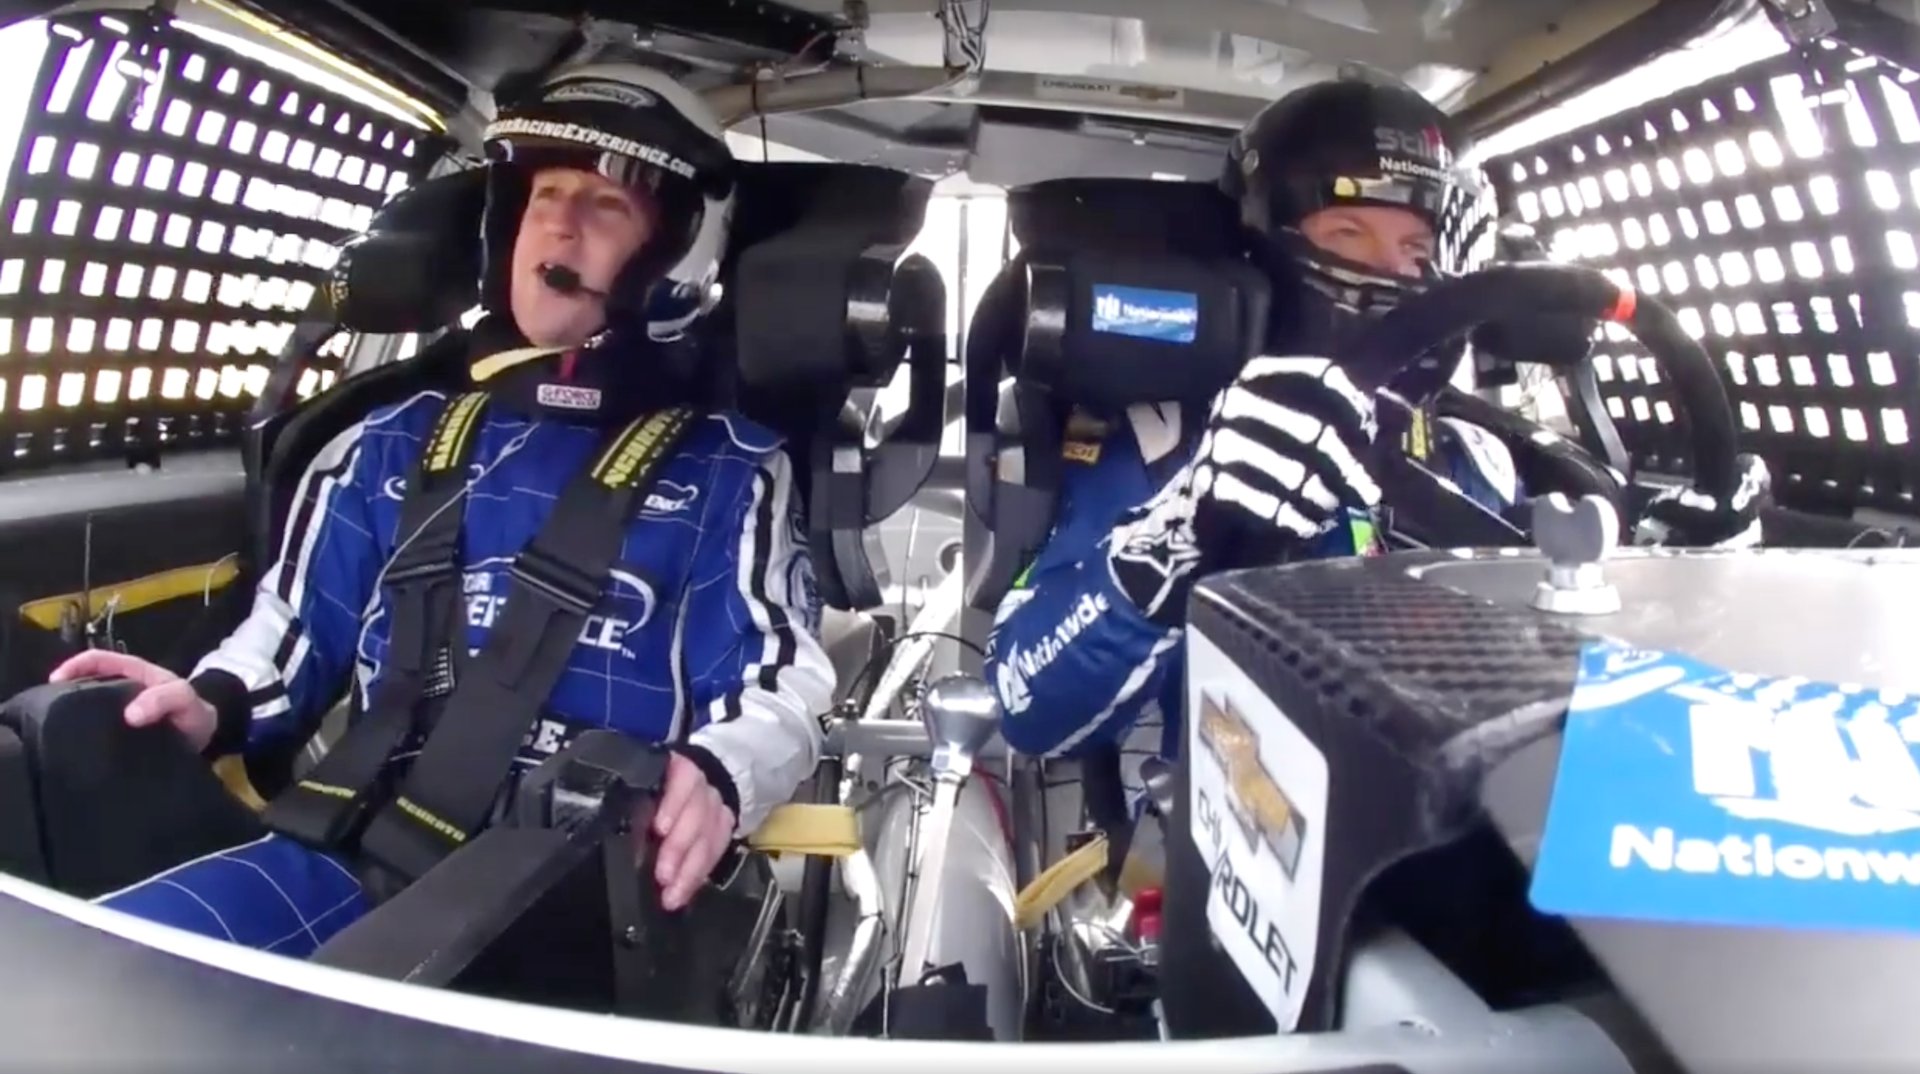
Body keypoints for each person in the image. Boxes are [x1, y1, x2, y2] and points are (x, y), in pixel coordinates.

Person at [46, 62, 833, 957]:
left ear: (677, 256)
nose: (561, 224)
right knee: (93, 967)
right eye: (544, 197)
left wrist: (723, 775)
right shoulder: (387, 442)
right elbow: (293, 632)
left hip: (591, 896)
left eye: (606, 204)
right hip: (361, 855)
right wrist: (208, 700)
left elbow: (779, 680)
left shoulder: (731, 471)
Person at [987, 74, 1771, 768]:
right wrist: (1181, 534)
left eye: (1415, 249)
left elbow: (1571, 626)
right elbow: (1025, 707)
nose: (1390, 273)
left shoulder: (1475, 452)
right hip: (1237, 828)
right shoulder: (1163, 443)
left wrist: (1680, 582)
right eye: (1348, 234)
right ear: (1263, 248)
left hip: (1469, 815)